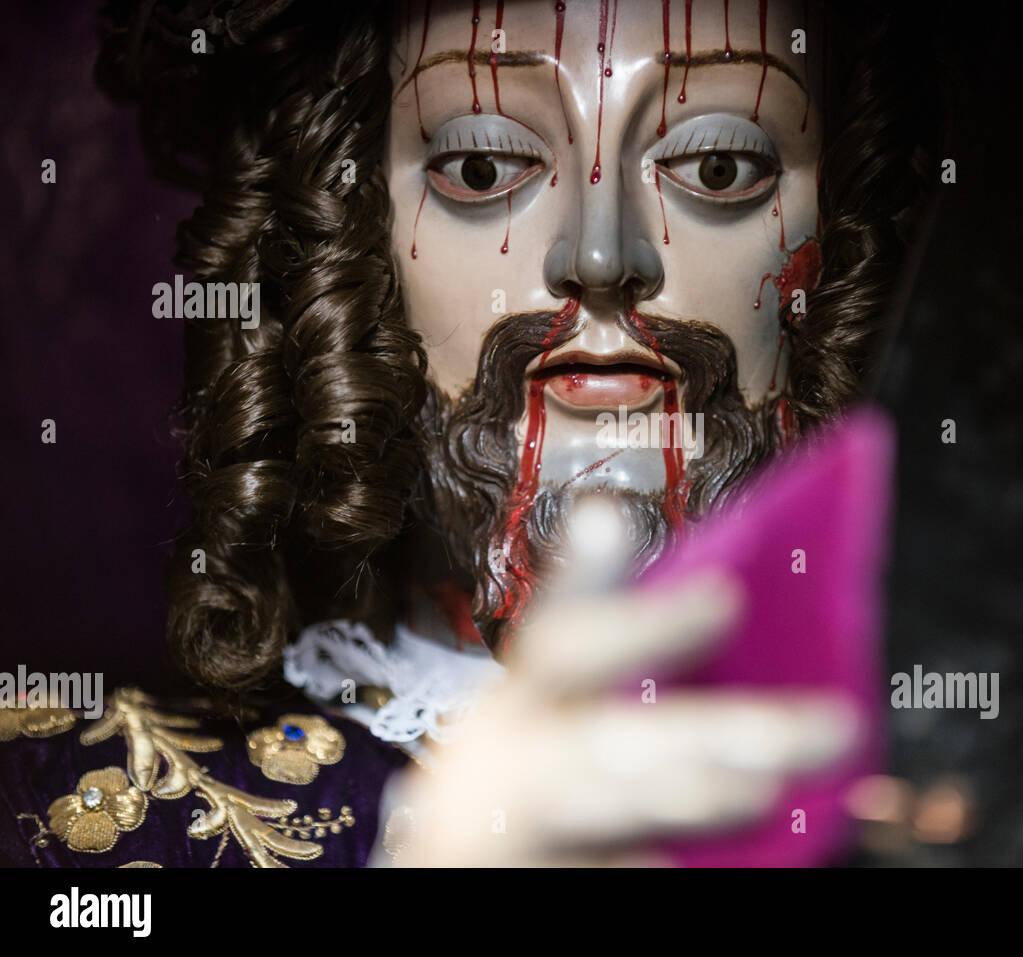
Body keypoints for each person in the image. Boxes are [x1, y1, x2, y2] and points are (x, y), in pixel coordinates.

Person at [0, 0, 936, 867]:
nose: (601, 255)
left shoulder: (968, 797)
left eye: (718, 165)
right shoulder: (69, 814)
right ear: (350, 233)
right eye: (483, 166)